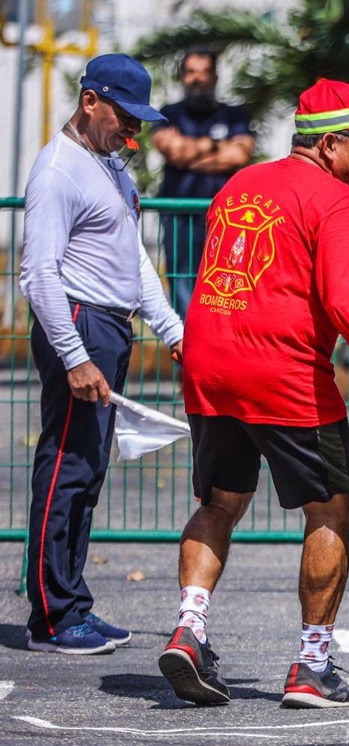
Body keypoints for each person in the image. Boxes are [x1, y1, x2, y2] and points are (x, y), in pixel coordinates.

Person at [158, 78, 349, 708]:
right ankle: (311, 666)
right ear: (327, 146)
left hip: (209, 364)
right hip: (283, 373)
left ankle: (189, 630)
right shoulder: (338, 201)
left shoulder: (239, 184)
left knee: (219, 502)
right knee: (330, 508)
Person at [19, 54, 183, 654]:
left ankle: (71, 603)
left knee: (85, 473)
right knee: (65, 471)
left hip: (106, 327)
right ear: (90, 101)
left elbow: (132, 258)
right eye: (123, 115)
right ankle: (53, 618)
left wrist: (170, 327)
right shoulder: (60, 169)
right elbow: (38, 274)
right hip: (81, 324)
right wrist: (73, 354)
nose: (132, 131)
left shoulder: (109, 166)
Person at [152, 48, 255, 316]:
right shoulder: (169, 113)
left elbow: (240, 154)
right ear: (183, 77)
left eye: (203, 72)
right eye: (190, 72)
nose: (197, 79)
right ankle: (186, 354)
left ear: (215, 76)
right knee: (182, 289)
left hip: (224, 218)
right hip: (179, 219)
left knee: (224, 291)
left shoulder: (234, 115)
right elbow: (171, 151)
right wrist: (217, 148)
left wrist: (188, 153)